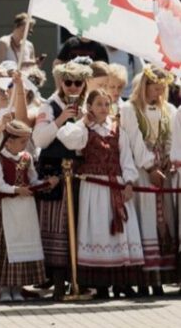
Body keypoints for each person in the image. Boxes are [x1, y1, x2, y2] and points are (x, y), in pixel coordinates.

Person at [58, 89, 143, 297]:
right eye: (99, 104)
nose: (104, 109)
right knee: (99, 231)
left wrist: (129, 182)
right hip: (94, 189)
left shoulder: (117, 129)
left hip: (116, 184)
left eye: (106, 104)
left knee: (122, 232)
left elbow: (126, 158)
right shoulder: (85, 129)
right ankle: (102, 285)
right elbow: (67, 139)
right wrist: (83, 122)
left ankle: (122, 284)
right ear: (90, 107)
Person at [33, 60, 91, 297]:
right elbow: (39, 140)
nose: (73, 87)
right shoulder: (49, 107)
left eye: (78, 83)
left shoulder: (88, 106)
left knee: (79, 223)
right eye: (68, 82)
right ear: (61, 82)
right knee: (55, 227)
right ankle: (57, 282)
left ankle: (80, 279)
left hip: (79, 173)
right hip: (54, 172)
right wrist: (61, 119)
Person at [120, 66, 177, 293]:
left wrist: (167, 160)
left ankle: (162, 276)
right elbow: (134, 140)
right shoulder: (130, 109)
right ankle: (145, 280)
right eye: (155, 88)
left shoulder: (168, 108)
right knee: (145, 219)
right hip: (142, 171)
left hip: (163, 169)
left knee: (165, 220)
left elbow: (172, 135)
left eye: (163, 89)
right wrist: (150, 165)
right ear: (145, 86)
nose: (159, 93)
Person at [0, 121, 56, 301]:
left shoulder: (26, 157)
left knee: (22, 245)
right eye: (21, 141)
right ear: (9, 141)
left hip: (25, 209)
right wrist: (16, 190)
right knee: (6, 247)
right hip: (8, 208)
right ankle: (4, 288)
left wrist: (47, 183)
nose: (25, 145)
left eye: (26, 141)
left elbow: (32, 180)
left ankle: (17, 287)